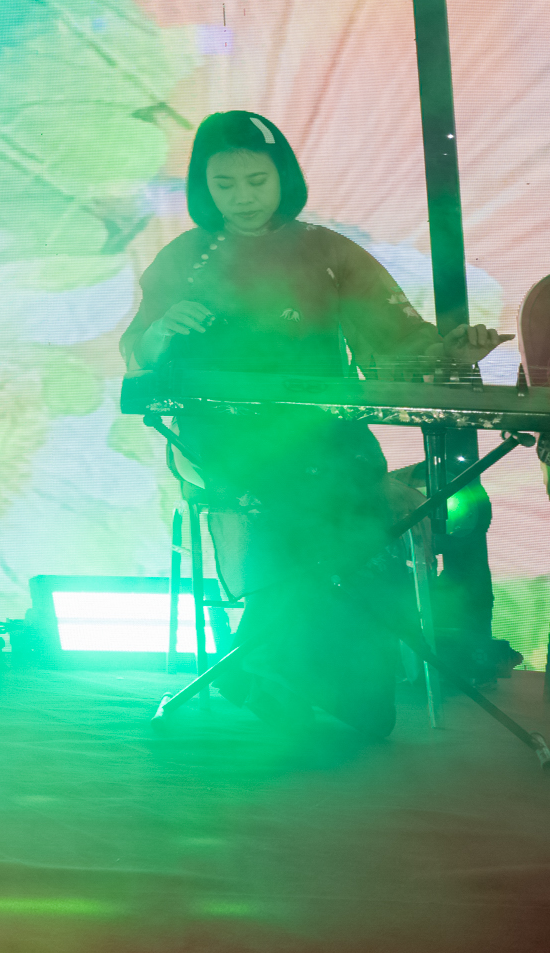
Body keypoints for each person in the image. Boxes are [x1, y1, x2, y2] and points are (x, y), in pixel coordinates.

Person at [120, 110, 504, 737]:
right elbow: (138, 355)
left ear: (284, 177)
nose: (242, 197)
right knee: (314, 492)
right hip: (216, 439)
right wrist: (162, 331)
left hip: (326, 436)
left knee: (346, 496)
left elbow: (398, 342)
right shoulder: (184, 258)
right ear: (202, 187)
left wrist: (450, 353)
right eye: (224, 184)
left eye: (256, 180)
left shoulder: (327, 251)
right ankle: (276, 666)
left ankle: (294, 672)